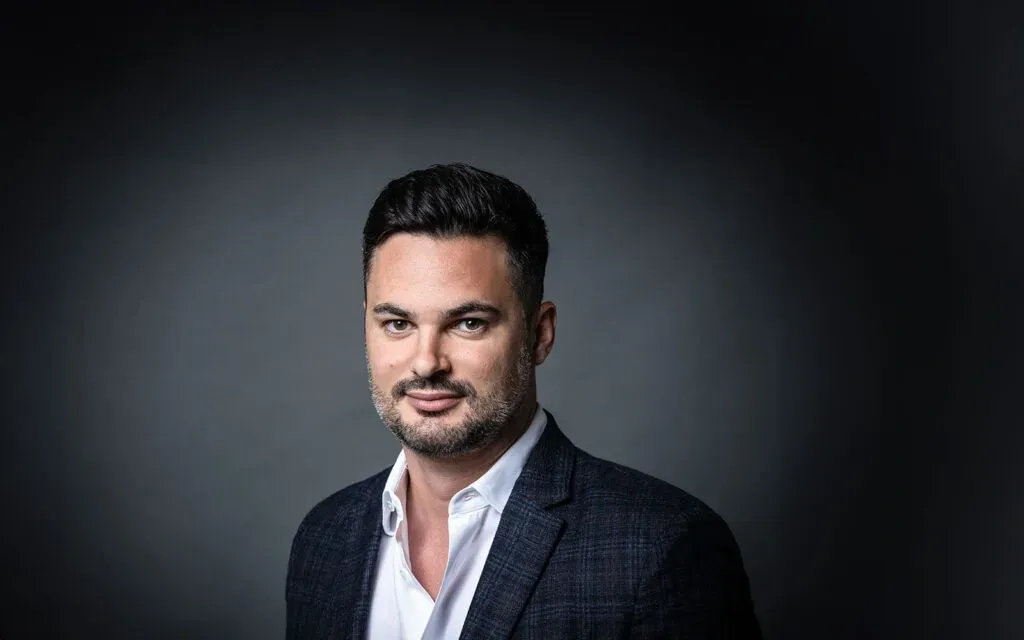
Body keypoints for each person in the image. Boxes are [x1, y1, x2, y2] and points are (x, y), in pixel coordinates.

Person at [285, 163, 762, 639]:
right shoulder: (326, 538)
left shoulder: (661, 546)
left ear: (539, 334)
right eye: (398, 324)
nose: (426, 362)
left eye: (468, 323)